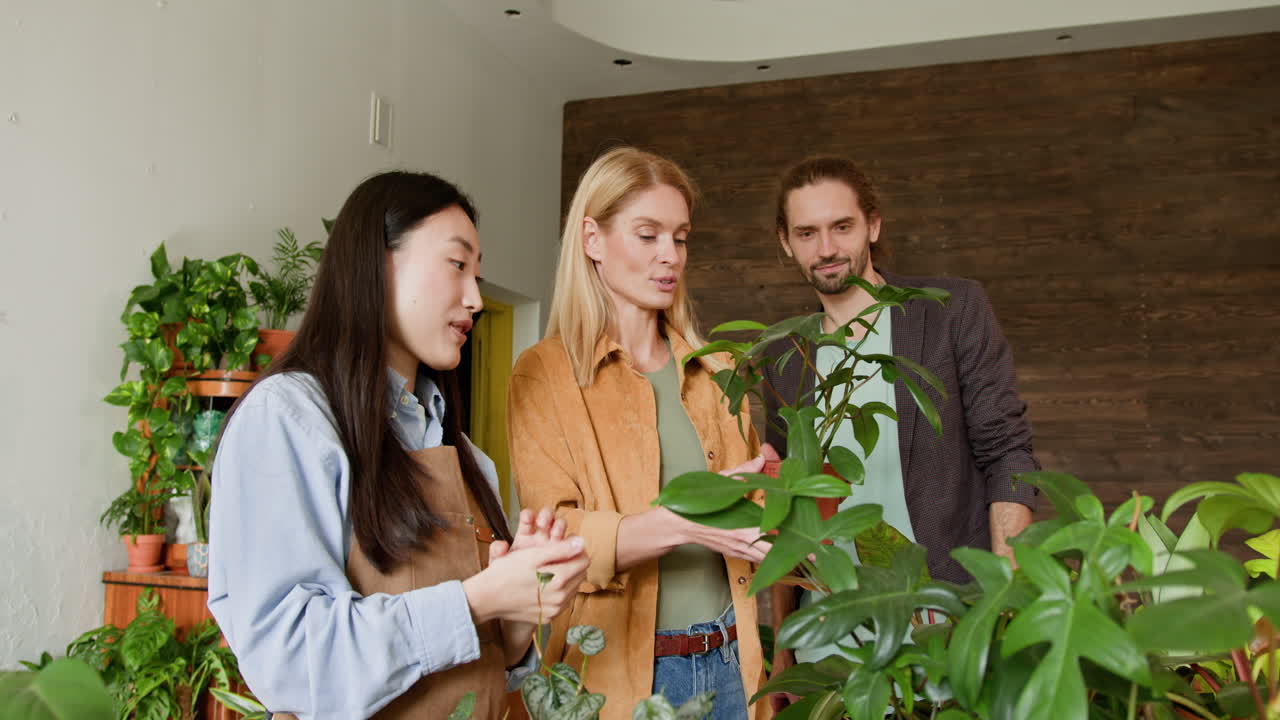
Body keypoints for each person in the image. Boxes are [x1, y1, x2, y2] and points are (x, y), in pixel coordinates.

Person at [207, 170, 589, 719]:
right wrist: (477, 599)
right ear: (377, 264)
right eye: (457, 265)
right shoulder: (288, 418)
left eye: (477, 275)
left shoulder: (464, 456)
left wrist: (517, 608)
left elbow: (492, 664)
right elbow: (290, 662)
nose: (475, 298)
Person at [507, 147, 777, 720]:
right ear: (592, 239)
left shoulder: (719, 368)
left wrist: (777, 493)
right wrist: (689, 521)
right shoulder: (544, 373)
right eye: (648, 235)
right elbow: (556, 538)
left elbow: (753, 518)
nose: (670, 256)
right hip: (619, 677)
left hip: (733, 661)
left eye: (680, 238)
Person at [763, 155, 1040, 680]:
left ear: (873, 225)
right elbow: (785, 504)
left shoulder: (950, 311)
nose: (826, 249)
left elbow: (1009, 455)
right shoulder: (785, 353)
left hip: (948, 625)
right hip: (829, 639)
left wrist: (1003, 600)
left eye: (842, 227)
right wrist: (783, 652)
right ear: (786, 241)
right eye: (807, 233)